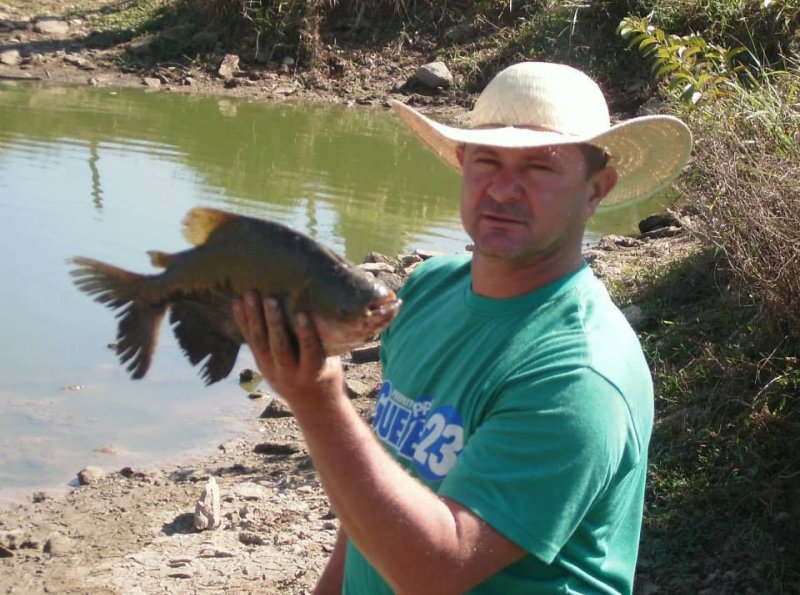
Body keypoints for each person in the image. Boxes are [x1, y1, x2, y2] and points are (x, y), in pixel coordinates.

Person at [232, 61, 692, 594]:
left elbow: (436, 570)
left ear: (597, 190)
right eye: (487, 161)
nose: (502, 190)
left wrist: (319, 402)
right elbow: (383, 485)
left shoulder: (580, 372)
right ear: (461, 163)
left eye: (540, 168)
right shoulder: (429, 290)